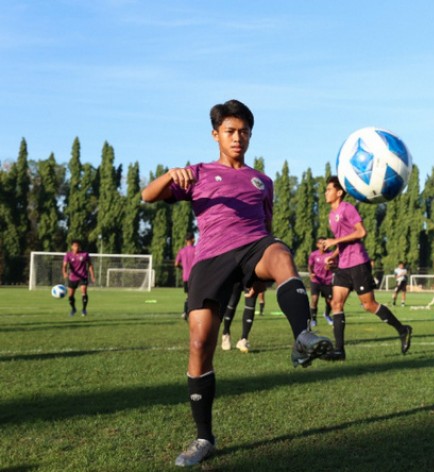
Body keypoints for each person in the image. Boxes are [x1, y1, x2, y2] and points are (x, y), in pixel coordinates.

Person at [141, 99, 332, 467]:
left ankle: (302, 336)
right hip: (211, 258)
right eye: (230, 131)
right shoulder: (196, 173)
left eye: (244, 131)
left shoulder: (263, 181)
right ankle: (203, 438)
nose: (238, 138)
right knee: (199, 345)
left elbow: (268, 227)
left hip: (254, 247)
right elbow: (147, 196)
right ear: (216, 135)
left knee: (281, 253)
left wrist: (260, 280)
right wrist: (170, 174)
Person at [320, 176, 413, 361]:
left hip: (358, 263)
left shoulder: (347, 208)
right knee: (336, 304)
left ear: (339, 192)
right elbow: (343, 241)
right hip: (343, 265)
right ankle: (339, 351)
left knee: (368, 305)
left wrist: (334, 241)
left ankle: (403, 330)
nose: (326, 192)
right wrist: (333, 255)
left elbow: (361, 232)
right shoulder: (331, 215)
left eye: (329, 189)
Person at [220, 282, 260, 353]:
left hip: (251, 275)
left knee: (251, 303)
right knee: (232, 302)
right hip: (236, 274)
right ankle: (226, 333)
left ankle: (244, 339)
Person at [62, 240, 95, 317]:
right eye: (75, 246)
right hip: (72, 277)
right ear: (72, 247)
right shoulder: (68, 255)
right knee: (70, 296)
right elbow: (64, 265)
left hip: (83, 276)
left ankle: (84, 309)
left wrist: (92, 275)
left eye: (78, 246)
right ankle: (73, 309)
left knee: (83, 292)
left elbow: (90, 265)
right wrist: (64, 272)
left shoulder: (85, 254)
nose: (76, 247)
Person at [308, 237, 335, 326]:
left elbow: (336, 265)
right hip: (316, 280)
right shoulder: (313, 255)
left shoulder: (331, 254)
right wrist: (311, 273)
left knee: (329, 301)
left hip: (327, 281)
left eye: (324, 243)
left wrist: (330, 267)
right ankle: (313, 319)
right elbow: (310, 266)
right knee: (314, 299)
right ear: (317, 245)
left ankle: (326, 315)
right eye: (320, 243)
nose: (323, 245)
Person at [175, 234, 196, 321]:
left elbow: (176, 264)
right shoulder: (196, 249)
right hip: (195, 276)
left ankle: (185, 312)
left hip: (185, 277)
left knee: (188, 295)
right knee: (193, 296)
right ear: (193, 239)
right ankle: (188, 312)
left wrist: (183, 268)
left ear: (185, 240)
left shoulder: (182, 251)